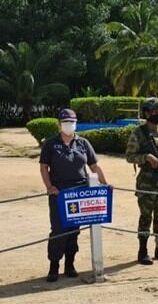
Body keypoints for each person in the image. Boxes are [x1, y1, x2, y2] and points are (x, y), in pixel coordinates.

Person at [39, 108, 110, 282]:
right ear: (59, 124)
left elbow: (94, 166)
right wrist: (49, 187)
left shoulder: (83, 143)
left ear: (76, 123)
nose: (68, 125)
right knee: (58, 230)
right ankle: (54, 266)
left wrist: (105, 184)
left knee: (74, 230)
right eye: (65, 122)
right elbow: (44, 167)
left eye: (71, 122)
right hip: (59, 194)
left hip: (80, 193)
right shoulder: (51, 144)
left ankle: (70, 264)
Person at [125, 97, 158, 265]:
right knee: (146, 217)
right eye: (153, 111)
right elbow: (129, 156)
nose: (157, 114)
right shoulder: (138, 133)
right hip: (147, 182)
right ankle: (142, 251)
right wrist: (146, 157)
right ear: (146, 113)